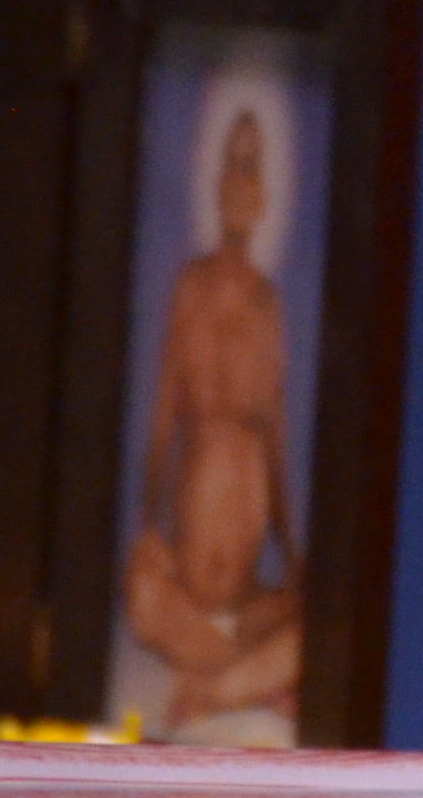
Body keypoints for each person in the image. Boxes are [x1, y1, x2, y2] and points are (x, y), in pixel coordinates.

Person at [119, 103, 305, 739]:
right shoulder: (190, 287)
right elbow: (163, 418)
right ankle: (244, 679)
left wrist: (294, 553)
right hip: (189, 593)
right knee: (142, 597)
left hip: (245, 586)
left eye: (254, 170)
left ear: (265, 194)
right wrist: (148, 528)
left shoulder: (268, 303)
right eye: (233, 166)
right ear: (216, 181)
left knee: (319, 623)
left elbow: (276, 442)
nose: (241, 185)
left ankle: (215, 690)